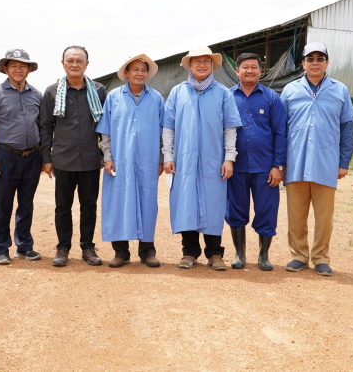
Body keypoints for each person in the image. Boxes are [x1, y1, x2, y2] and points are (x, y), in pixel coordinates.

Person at [163, 45, 242, 271]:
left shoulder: (223, 93)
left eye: (206, 61)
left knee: (213, 203)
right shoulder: (177, 92)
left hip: (213, 160)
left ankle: (215, 253)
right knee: (186, 202)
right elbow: (168, 127)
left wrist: (229, 158)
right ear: (189, 65)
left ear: (213, 65)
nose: (201, 65)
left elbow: (230, 128)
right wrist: (167, 155)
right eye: (196, 61)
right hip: (184, 160)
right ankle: (189, 252)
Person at [280, 42, 353, 276]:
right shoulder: (290, 90)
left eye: (320, 59)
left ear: (327, 63)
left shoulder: (340, 90)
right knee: (296, 216)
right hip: (295, 163)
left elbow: (347, 128)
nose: (315, 63)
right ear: (303, 63)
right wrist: (280, 162)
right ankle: (299, 256)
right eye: (310, 59)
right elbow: (280, 128)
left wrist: (343, 163)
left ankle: (321, 257)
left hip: (326, 163)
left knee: (324, 218)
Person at [40, 45, 107, 267]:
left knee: (89, 206)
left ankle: (88, 247)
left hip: (90, 160)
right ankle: (63, 248)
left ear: (87, 64)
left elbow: (106, 126)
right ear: (63, 64)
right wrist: (46, 158)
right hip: (62, 160)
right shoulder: (52, 92)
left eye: (79, 61)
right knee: (63, 206)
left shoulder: (98, 91)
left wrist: (104, 154)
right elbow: (46, 126)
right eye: (70, 60)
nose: (75, 64)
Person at [96, 54, 164, 268]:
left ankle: (147, 251)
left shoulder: (156, 98)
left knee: (147, 204)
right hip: (120, 161)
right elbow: (105, 132)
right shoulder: (114, 97)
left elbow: (164, 132)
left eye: (143, 70)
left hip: (148, 160)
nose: (140, 73)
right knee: (118, 203)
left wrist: (161, 158)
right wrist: (108, 157)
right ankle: (121, 252)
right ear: (126, 73)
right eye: (135, 69)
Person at [0, 49, 43, 265]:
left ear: (29, 69)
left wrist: (44, 157)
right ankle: (1, 248)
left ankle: (24, 246)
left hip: (32, 156)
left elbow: (43, 127)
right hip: (6, 156)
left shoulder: (37, 95)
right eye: (14, 66)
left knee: (26, 203)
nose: (18, 69)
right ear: (6, 69)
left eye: (23, 66)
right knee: (2, 204)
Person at [227, 53, 286, 271]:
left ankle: (264, 255)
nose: (249, 70)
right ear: (237, 71)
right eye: (245, 67)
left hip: (265, 168)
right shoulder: (227, 96)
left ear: (261, 71)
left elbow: (280, 132)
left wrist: (277, 166)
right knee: (235, 209)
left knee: (266, 210)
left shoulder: (271, 98)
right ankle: (239, 254)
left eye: (254, 67)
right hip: (236, 166)